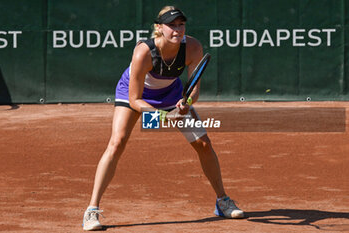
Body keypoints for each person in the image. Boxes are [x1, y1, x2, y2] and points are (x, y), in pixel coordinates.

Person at [82, 6, 244, 231]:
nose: (177, 29)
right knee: (117, 142)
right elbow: (134, 100)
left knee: (203, 143)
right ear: (159, 28)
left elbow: (193, 89)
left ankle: (222, 201)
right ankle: (92, 210)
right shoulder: (143, 52)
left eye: (181, 25)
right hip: (134, 94)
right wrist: (159, 116)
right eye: (171, 25)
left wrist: (187, 103)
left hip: (171, 94)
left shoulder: (193, 47)